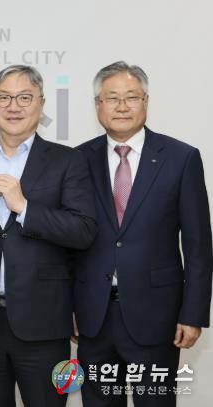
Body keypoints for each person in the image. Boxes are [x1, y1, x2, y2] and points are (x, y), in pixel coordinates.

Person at [0, 64, 96, 407]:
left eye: (24, 97)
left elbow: (83, 230)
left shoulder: (68, 160)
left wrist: (24, 207)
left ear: (41, 104)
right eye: (4, 98)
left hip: (44, 323)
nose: (13, 106)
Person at [75, 61, 213, 406]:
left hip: (157, 316)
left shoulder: (181, 158)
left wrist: (193, 313)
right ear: (98, 105)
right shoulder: (77, 160)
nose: (122, 106)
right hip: (93, 317)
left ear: (146, 102)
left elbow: (198, 245)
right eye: (112, 98)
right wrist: (67, 308)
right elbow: (67, 242)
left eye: (132, 97)